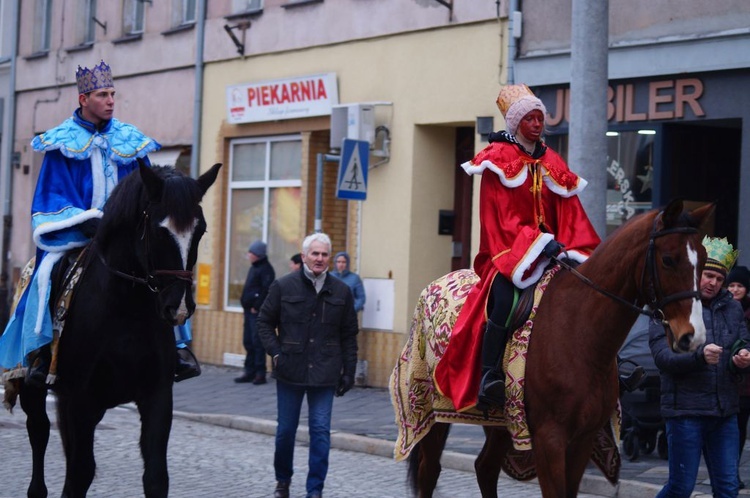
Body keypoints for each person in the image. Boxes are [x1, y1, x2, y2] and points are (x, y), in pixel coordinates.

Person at [0, 60, 201, 385]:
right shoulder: (62, 144)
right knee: (46, 273)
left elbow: (150, 189)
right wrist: (87, 221)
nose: (110, 100)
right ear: (84, 99)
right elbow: (51, 198)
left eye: (112, 94)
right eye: (102, 94)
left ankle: (176, 348)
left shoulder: (129, 141)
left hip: (126, 235)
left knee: (164, 270)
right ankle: (41, 354)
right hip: (80, 235)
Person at [433, 84, 601, 412]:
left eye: (540, 118)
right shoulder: (498, 160)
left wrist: (572, 247)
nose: (538, 124)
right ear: (516, 124)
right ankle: (490, 375)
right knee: (504, 301)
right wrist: (538, 244)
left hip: (554, 252)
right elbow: (501, 217)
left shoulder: (552, 160)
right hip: (510, 253)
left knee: (589, 296)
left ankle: (606, 368)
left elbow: (570, 209)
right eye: (530, 119)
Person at [257, 232, 359, 498]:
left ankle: (315, 490)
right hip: (290, 369)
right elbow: (265, 322)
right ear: (304, 257)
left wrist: (349, 371)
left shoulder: (342, 291)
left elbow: (349, 334)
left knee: (321, 433)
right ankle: (283, 481)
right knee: (285, 432)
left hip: (325, 372)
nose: (320, 258)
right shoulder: (283, 286)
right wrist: (276, 352)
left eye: (324, 254)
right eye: (315, 253)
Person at [650, 237, 750, 498]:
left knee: (728, 488)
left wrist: (741, 358)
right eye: (708, 275)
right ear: (696, 273)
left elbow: (742, 343)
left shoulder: (733, 308)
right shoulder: (669, 305)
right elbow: (663, 359)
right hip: (685, 412)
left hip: (724, 412)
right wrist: (699, 357)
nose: (713, 283)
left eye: (719, 278)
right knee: (681, 487)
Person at [236, 240, 275, 384]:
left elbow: (266, 291)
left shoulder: (266, 269)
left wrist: (257, 306)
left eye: (251, 252)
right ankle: (249, 370)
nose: (248, 255)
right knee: (248, 341)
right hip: (248, 311)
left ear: (258, 254)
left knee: (257, 342)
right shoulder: (254, 267)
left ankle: (260, 372)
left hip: (256, 312)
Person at [728, 264, 750, 488]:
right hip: (732, 381)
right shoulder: (723, 309)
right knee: (733, 430)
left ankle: (732, 472)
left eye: (740, 285)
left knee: (739, 429)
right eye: (731, 285)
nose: (735, 290)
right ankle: (730, 473)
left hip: (747, 384)